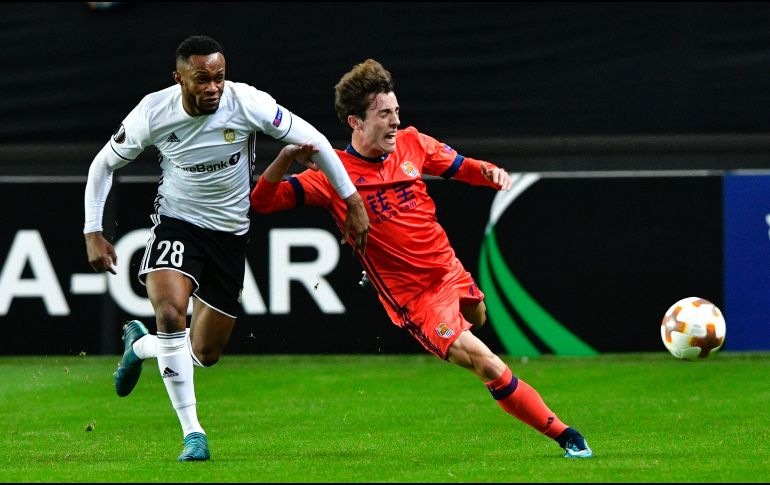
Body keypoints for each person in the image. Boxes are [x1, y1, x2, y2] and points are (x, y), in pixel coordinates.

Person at [250, 59, 592, 459]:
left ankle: (427, 298)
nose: (395, 121)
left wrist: (491, 172)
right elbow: (262, 202)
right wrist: (285, 157)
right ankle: (567, 435)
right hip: (416, 299)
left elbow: (462, 167)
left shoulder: (412, 143)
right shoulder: (332, 174)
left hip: (449, 270)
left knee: (479, 317)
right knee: (487, 364)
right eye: (383, 114)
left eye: (396, 111)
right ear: (355, 122)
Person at [83, 35, 369, 462]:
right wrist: (93, 230)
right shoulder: (152, 112)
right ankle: (193, 434)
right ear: (178, 78)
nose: (213, 87)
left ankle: (141, 347)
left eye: (219, 77)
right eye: (202, 79)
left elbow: (317, 142)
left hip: (230, 235)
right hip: (177, 223)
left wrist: (352, 201)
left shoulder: (247, 103)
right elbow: (103, 164)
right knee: (170, 313)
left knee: (205, 353)